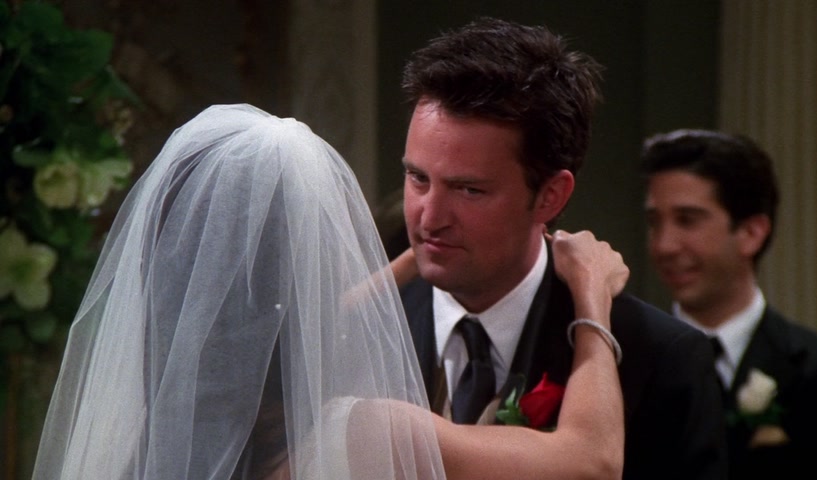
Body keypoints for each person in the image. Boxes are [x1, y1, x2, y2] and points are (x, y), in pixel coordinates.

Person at [32, 104, 629, 479]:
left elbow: (289, 311)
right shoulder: (365, 436)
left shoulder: (142, 434)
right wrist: (591, 297)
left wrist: (413, 262)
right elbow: (591, 460)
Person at [397, 17, 727, 480]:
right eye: (418, 178)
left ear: (550, 197)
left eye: (469, 190)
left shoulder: (660, 357)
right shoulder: (359, 331)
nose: (430, 217)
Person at [641, 128, 817, 479]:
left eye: (687, 220)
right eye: (654, 222)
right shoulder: (629, 366)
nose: (664, 245)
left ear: (752, 233)